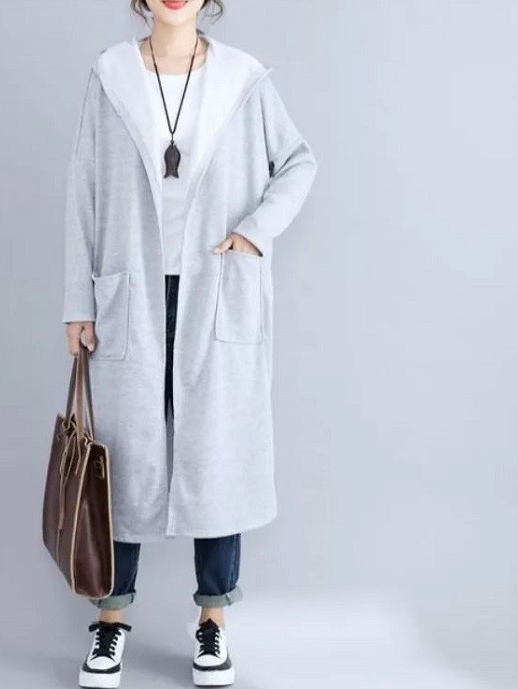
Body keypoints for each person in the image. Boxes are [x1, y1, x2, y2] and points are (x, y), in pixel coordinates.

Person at [63, 1, 318, 686]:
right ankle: (111, 621)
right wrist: (77, 300)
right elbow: (83, 188)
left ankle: (212, 621)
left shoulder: (243, 78)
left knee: (217, 454)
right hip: (130, 292)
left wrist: (254, 232)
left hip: (216, 286)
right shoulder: (111, 75)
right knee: (120, 460)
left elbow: (298, 163)